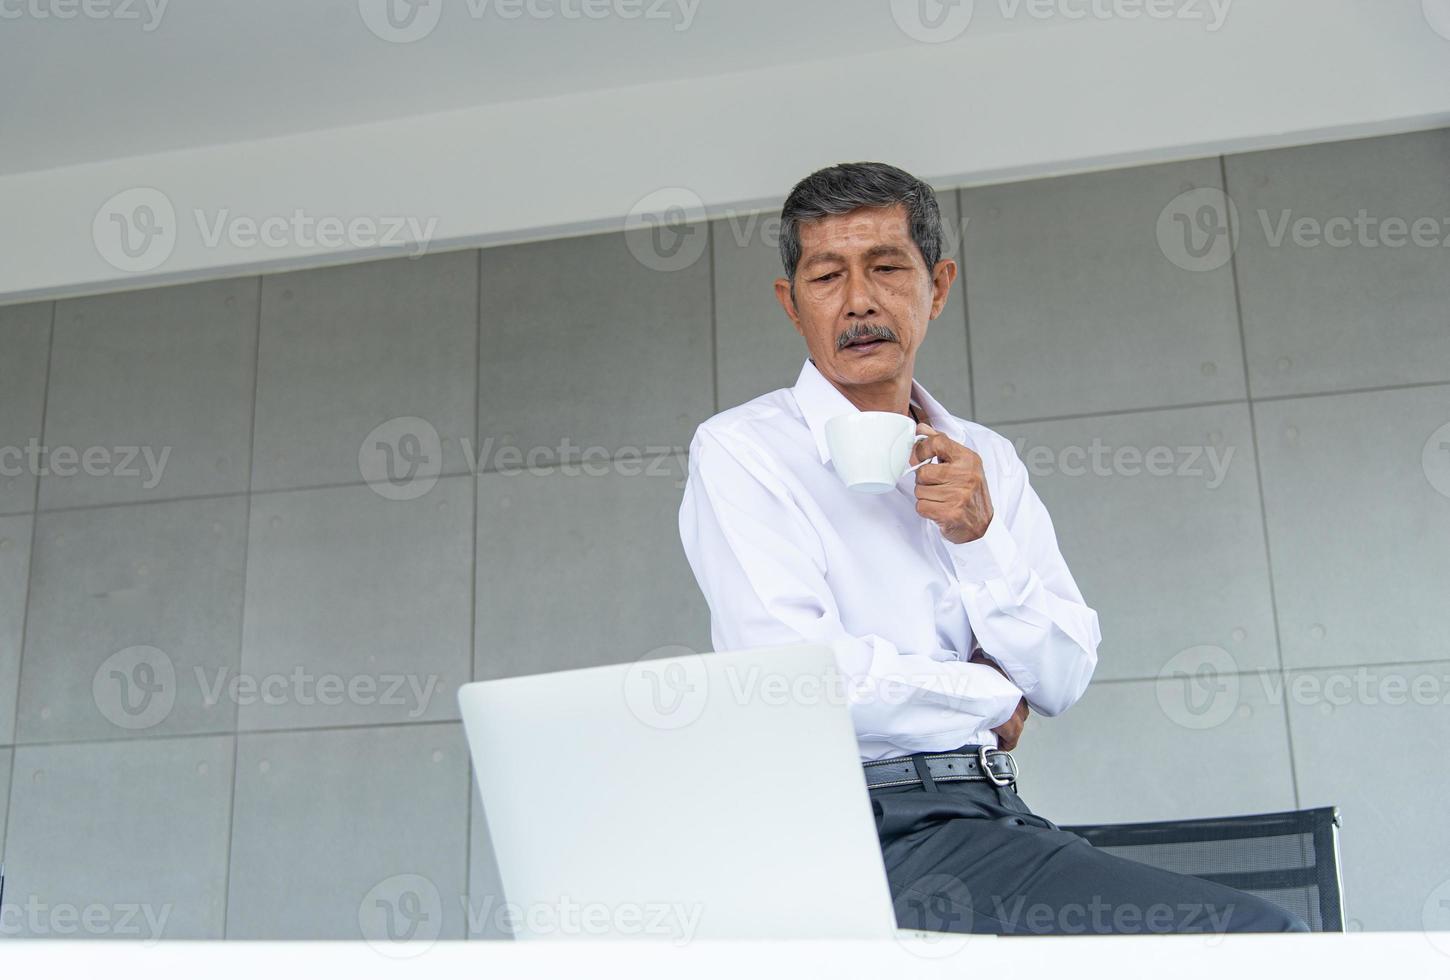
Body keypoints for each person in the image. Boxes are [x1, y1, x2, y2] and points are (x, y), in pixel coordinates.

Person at [677, 161, 1308, 935]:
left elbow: (1065, 671)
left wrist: (979, 541)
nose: (860, 301)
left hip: (988, 811)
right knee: (1258, 939)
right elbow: (799, 684)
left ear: (937, 288)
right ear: (792, 304)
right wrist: (988, 693)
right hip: (845, 831)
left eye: (886, 267)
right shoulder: (744, 450)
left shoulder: (987, 459)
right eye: (826, 276)